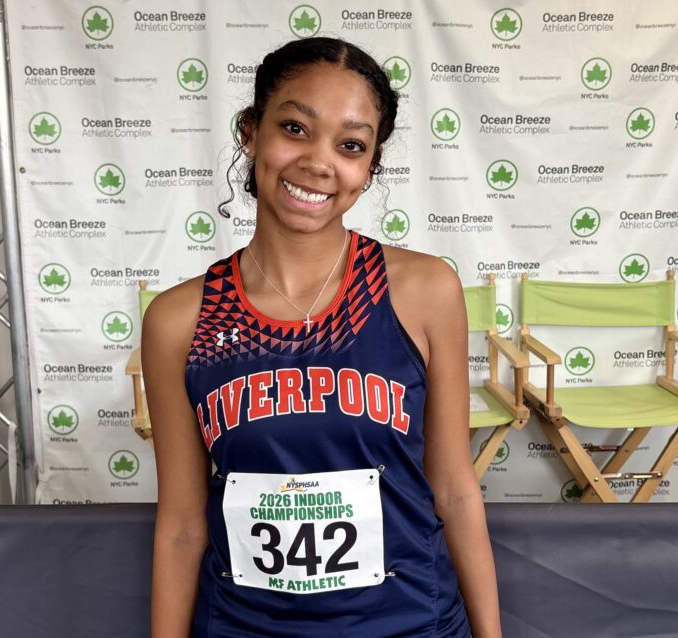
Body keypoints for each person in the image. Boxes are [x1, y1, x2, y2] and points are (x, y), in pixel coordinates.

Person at [142, 37, 502, 637]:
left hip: (412, 624)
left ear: (369, 169)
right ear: (250, 133)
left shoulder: (424, 290)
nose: (319, 162)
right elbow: (181, 524)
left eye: (351, 145)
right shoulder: (180, 321)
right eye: (294, 127)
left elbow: (454, 488)